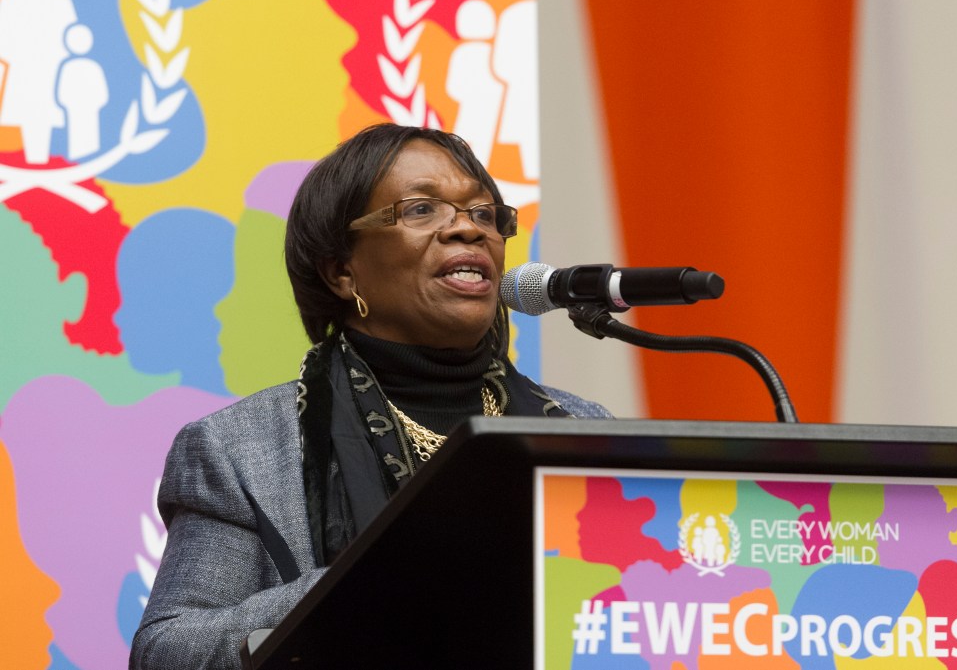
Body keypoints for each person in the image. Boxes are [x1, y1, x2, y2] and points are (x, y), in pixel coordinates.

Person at [129, 123, 612, 670]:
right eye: (422, 210)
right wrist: (362, 579)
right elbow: (167, 652)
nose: (469, 230)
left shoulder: (582, 427)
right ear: (340, 271)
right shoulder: (241, 449)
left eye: (483, 213)